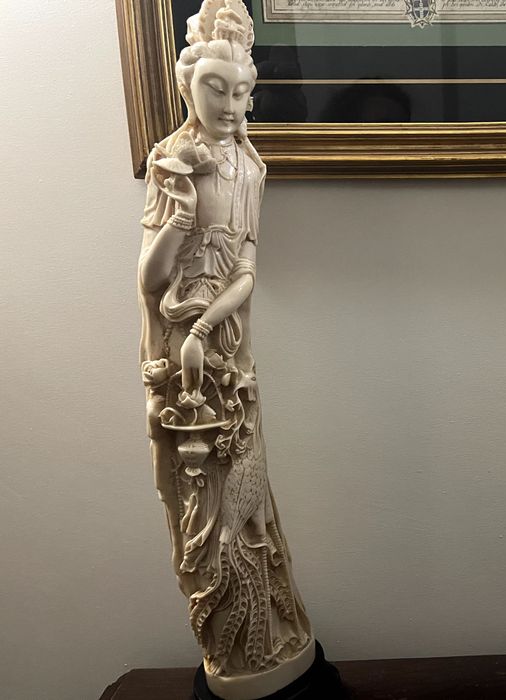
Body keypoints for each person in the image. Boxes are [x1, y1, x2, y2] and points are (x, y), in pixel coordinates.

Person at [137, 2, 314, 693]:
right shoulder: (171, 162)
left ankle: (267, 630)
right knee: (197, 491)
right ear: (189, 85)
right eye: (216, 88)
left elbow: (245, 271)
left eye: (242, 92)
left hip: (221, 343)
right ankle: (228, 640)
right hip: (174, 346)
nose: (231, 106)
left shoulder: (249, 167)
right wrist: (181, 216)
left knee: (246, 486)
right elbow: (151, 279)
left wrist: (208, 327)